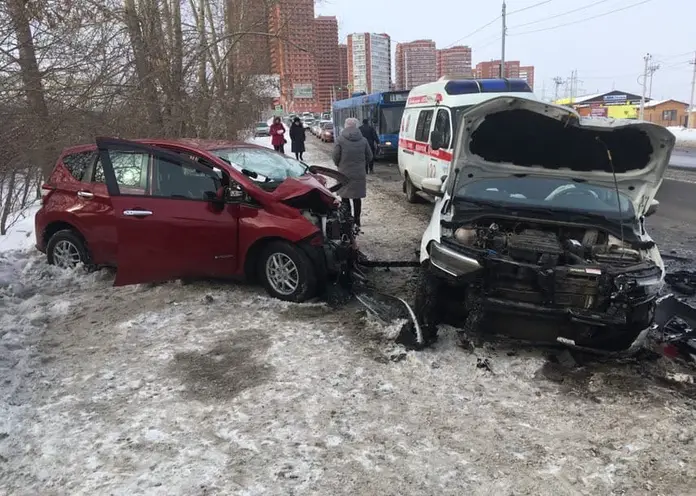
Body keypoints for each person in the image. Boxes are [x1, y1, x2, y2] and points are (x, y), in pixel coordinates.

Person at [332, 117, 372, 229]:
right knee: (357, 197)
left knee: (345, 197)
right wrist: (361, 164)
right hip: (359, 173)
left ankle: (347, 218)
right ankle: (357, 220)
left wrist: (339, 164)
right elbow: (370, 156)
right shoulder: (363, 140)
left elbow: (335, 156)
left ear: (345, 126)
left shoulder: (340, 140)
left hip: (343, 173)